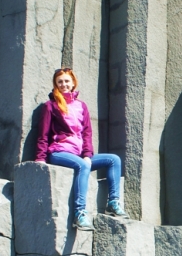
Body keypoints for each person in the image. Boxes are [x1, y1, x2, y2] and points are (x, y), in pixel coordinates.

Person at [36, 67, 128, 230]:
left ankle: (113, 203)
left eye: (66, 81)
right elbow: (43, 134)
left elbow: (87, 133)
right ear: (56, 85)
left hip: (79, 154)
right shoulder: (50, 106)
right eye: (60, 82)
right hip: (59, 152)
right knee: (83, 165)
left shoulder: (81, 106)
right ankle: (79, 214)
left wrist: (87, 154)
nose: (63, 84)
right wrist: (40, 158)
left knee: (113, 160)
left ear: (73, 83)